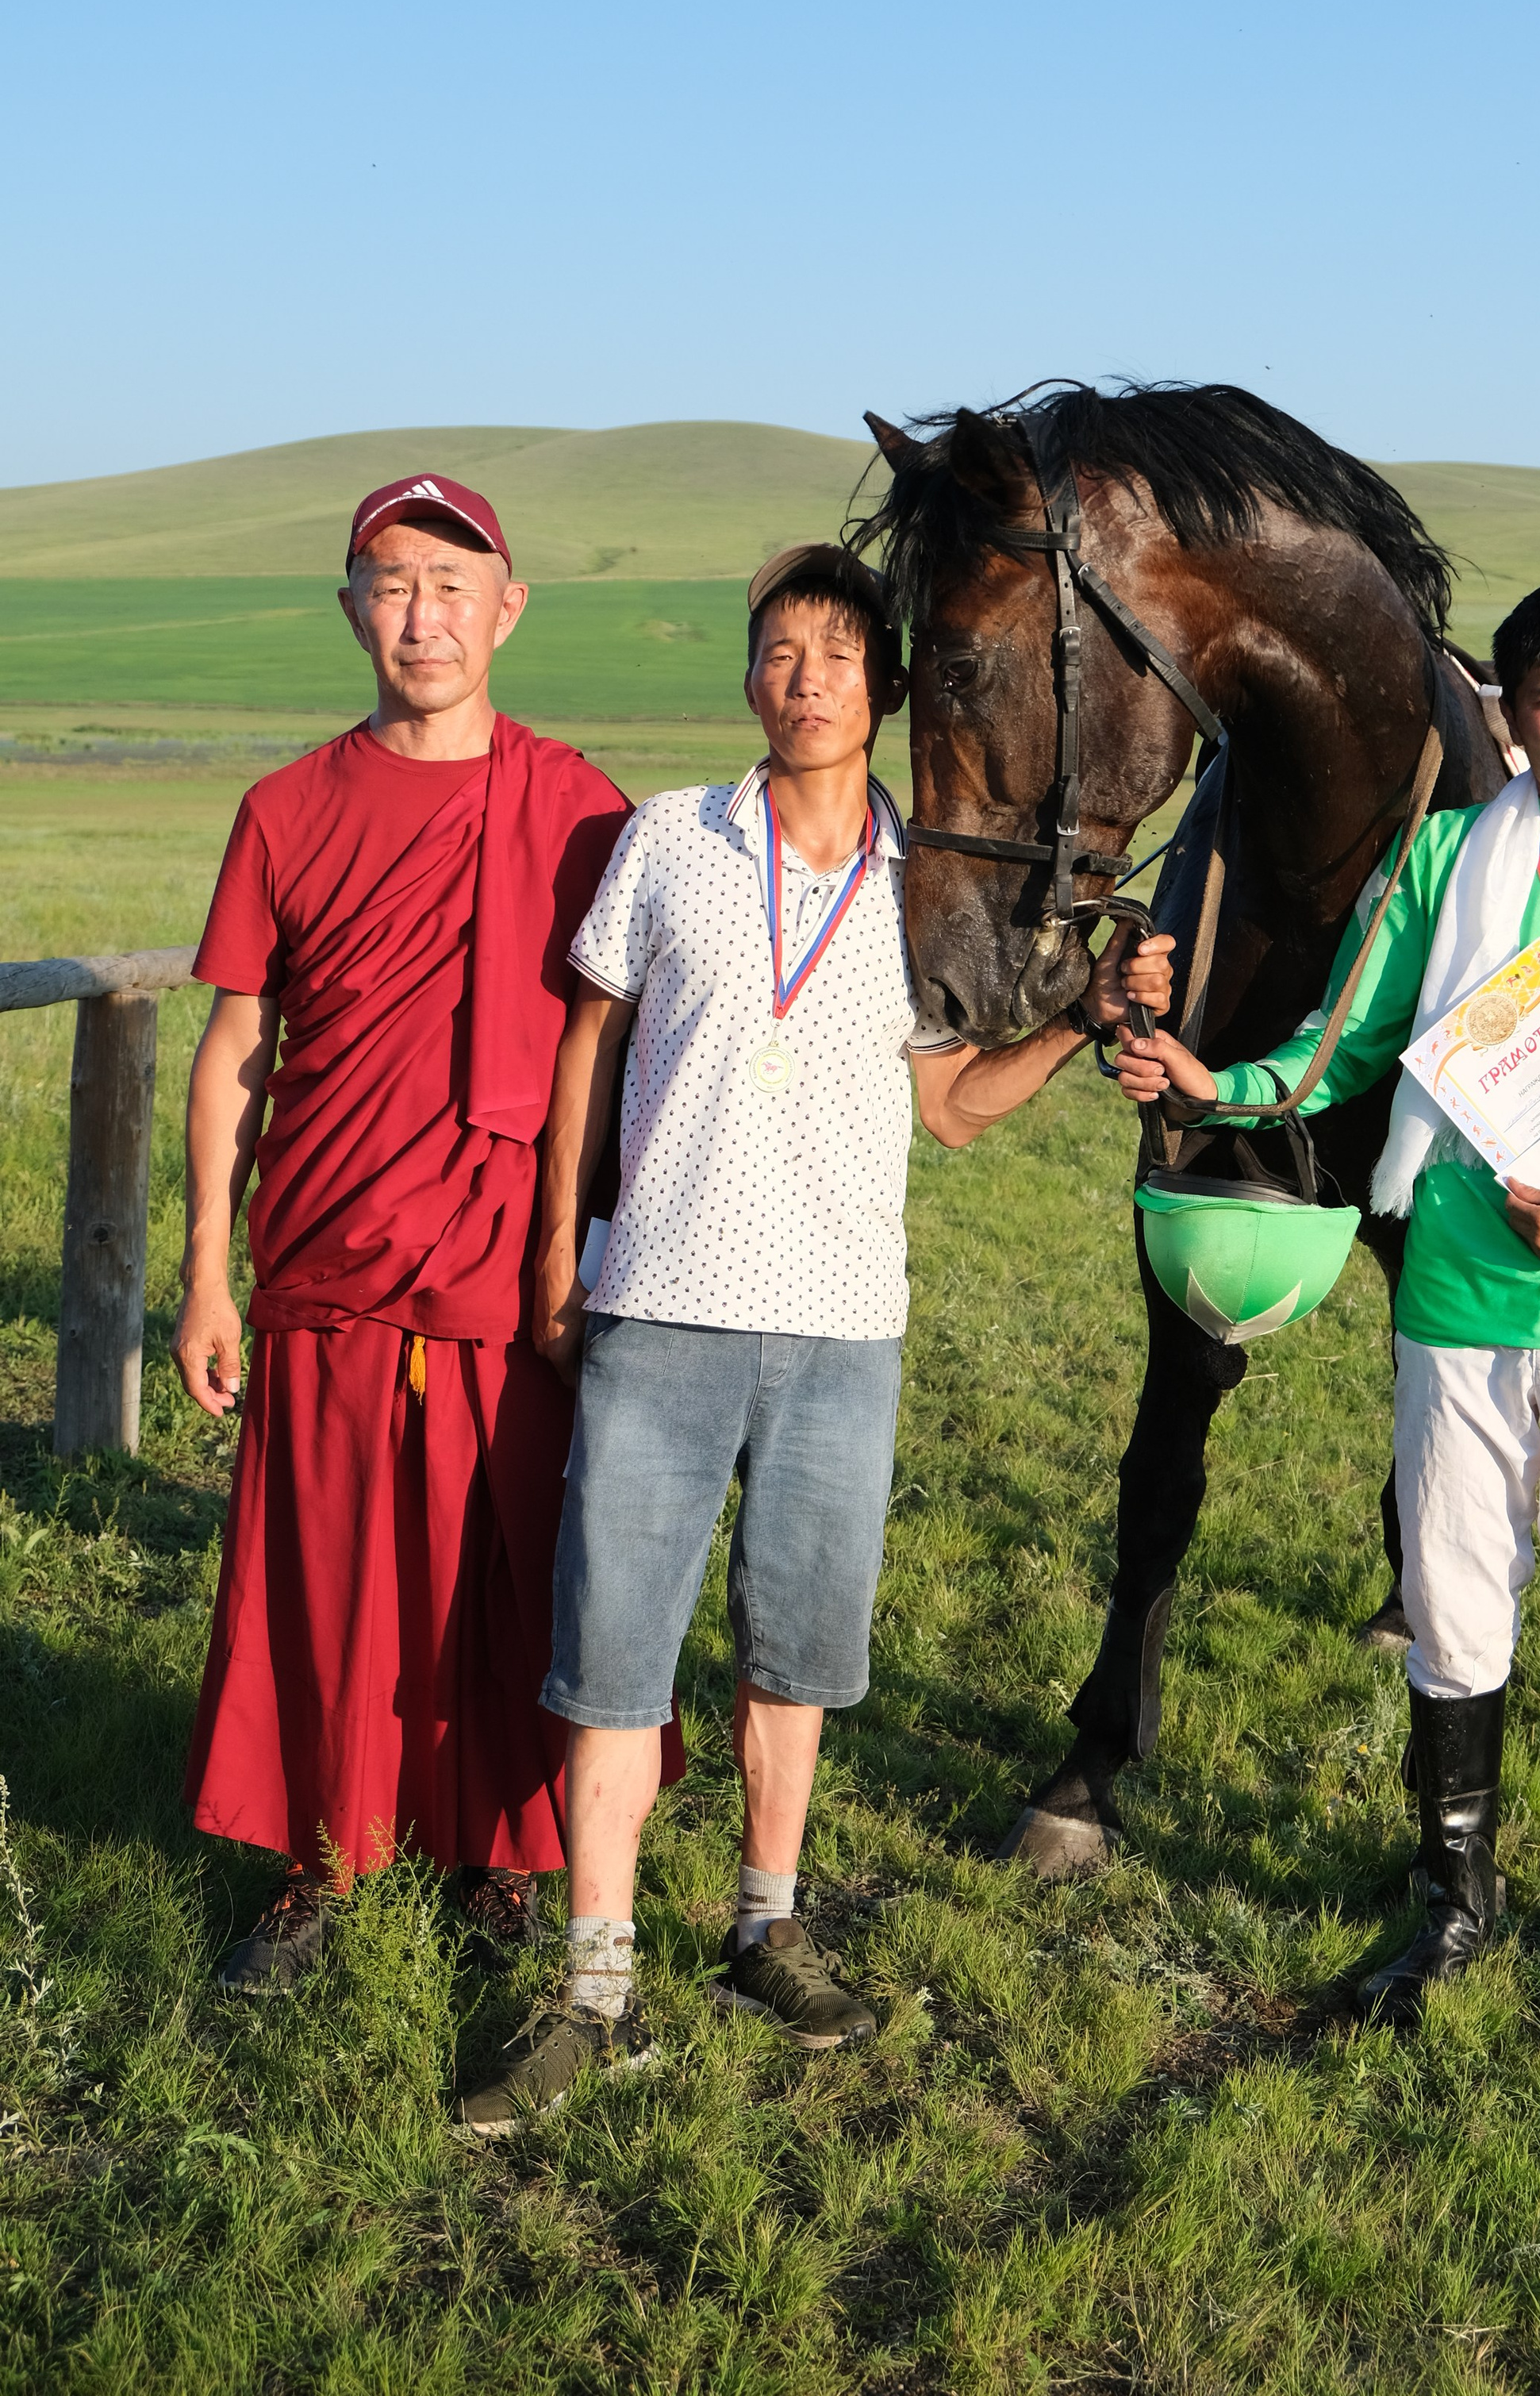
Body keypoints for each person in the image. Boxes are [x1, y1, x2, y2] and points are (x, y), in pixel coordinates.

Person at [458, 542, 1172, 2128]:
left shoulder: (924, 880)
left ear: (887, 689)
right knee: (612, 1658)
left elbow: (952, 1111)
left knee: (794, 1658)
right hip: (656, 1304)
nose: (802, 680)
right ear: (748, 678)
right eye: (777, 653)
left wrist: (1074, 1024)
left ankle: (765, 1931)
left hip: (843, 1326)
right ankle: (592, 1983)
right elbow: (589, 1041)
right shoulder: (665, 840)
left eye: (834, 658)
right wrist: (556, 1255)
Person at [1113, 580, 1540, 2067]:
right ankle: (1454, 1908)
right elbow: (1345, 1036)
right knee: (1455, 1605)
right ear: (1513, 714)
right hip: (1455, 1307)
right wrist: (1213, 1085)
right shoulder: (1444, 864)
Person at [173, 472, 680, 1990]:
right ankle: (319, 1857)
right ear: (350, 610)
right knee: (327, 1565)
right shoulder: (287, 809)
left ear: (507, 610)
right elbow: (236, 1046)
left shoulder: (580, 810)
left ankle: (499, 1855)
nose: (424, 616)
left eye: (455, 587)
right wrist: (206, 1268)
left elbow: (655, 1024)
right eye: (393, 585)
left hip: (506, 1263)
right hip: (327, 1251)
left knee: (498, 1559)